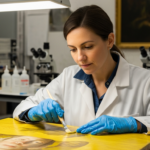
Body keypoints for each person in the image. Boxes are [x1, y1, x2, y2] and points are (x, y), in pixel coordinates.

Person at [13, 5, 150, 135]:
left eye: (88, 46)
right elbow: (21, 108)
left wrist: (134, 123)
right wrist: (34, 112)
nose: (80, 57)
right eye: (73, 49)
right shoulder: (68, 77)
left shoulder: (145, 81)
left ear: (109, 40)